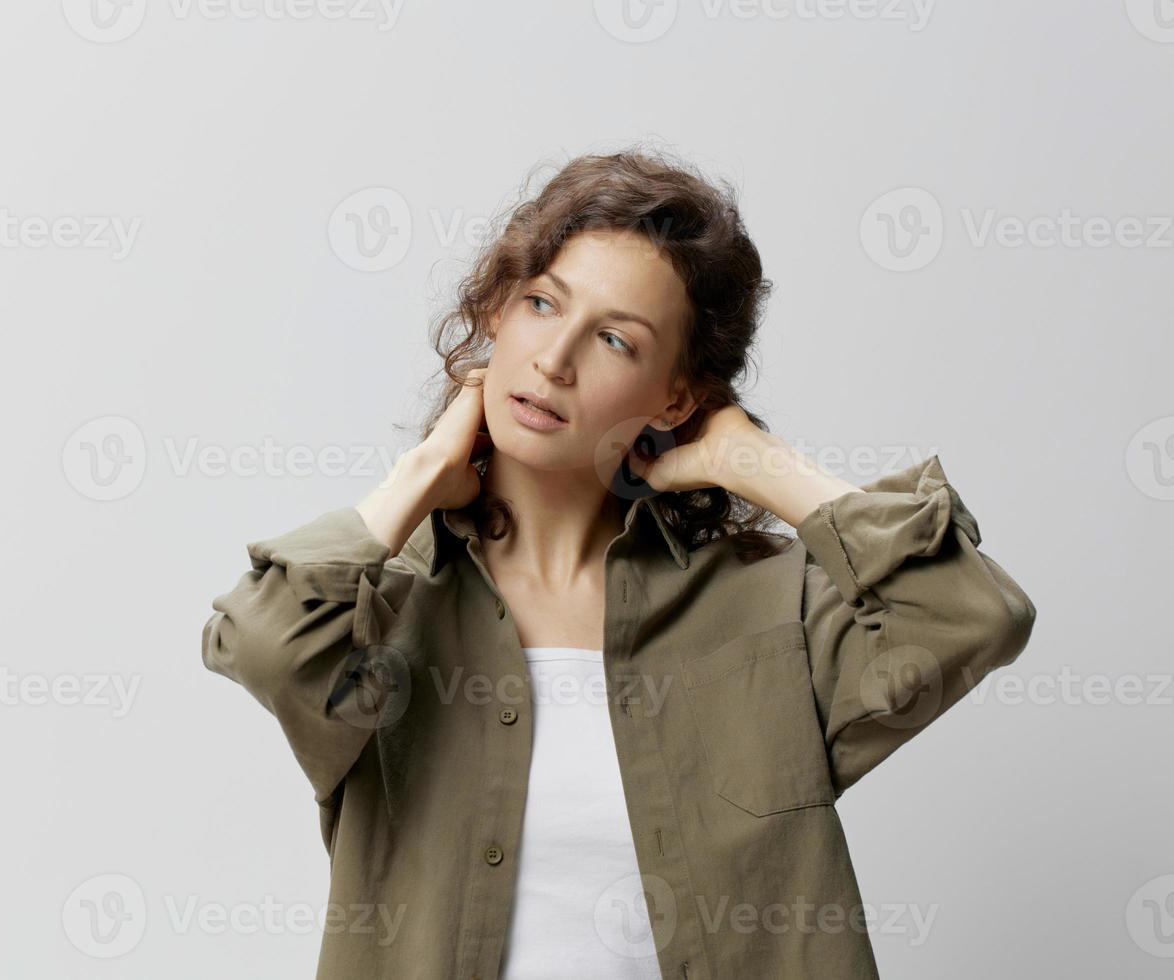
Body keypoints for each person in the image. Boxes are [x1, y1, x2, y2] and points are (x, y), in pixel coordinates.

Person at [200, 148, 1037, 979]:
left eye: (613, 339)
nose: (554, 360)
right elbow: (264, 643)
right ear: (496, 312)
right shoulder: (383, 613)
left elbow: (972, 614)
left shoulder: (768, 611)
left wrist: (757, 462)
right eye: (539, 303)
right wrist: (420, 476)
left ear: (676, 396)